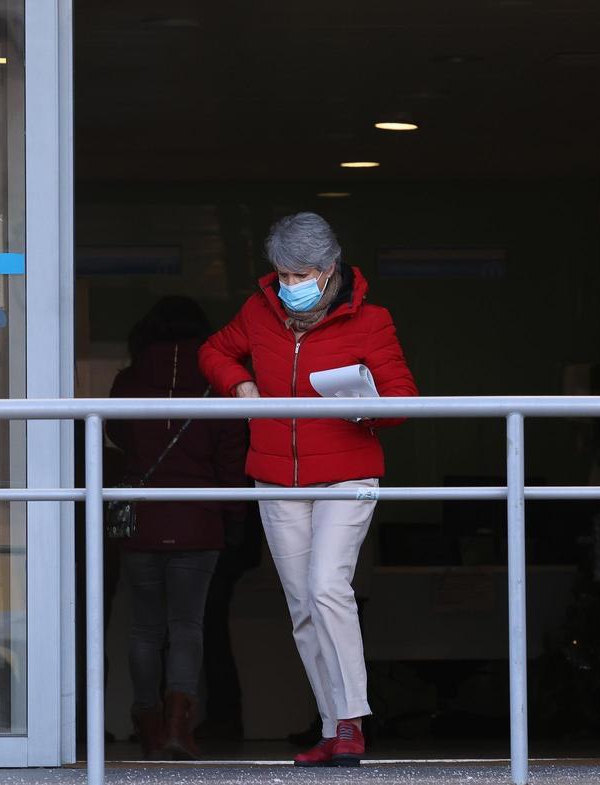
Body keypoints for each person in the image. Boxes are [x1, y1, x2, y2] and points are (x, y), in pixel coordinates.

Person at [199, 212, 417, 767]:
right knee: (300, 605)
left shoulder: (372, 321)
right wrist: (241, 384)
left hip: (347, 472)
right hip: (276, 476)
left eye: (303, 274)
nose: (291, 284)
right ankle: (331, 725)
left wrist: (365, 407)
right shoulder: (258, 311)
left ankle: (351, 720)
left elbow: (401, 401)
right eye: (284, 273)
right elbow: (215, 352)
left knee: (326, 588)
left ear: (329, 269)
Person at [107, 296, 248, 760]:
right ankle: (177, 726)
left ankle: (146, 722)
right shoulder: (215, 379)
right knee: (187, 626)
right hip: (198, 514)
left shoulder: (128, 381)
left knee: (144, 630)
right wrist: (236, 514)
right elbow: (232, 453)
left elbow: (116, 436)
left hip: (142, 517)